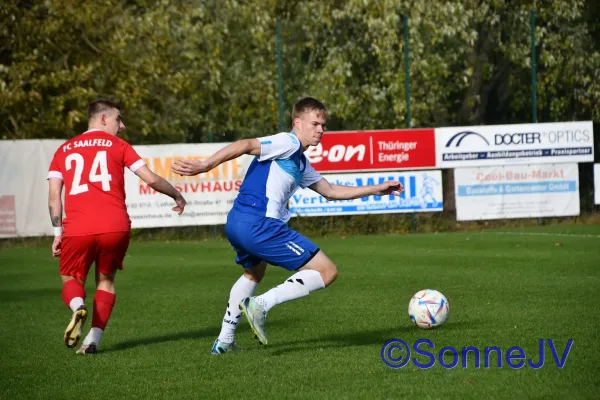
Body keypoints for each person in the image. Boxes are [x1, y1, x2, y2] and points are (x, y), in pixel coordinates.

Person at [172, 97, 403, 354]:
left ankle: (224, 341)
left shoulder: (300, 162)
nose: (321, 130)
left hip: (237, 222)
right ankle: (260, 304)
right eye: (315, 124)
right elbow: (246, 144)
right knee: (327, 271)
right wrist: (205, 165)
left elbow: (330, 191)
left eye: (323, 125)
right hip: (260, 224)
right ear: (297, 123)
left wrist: (376, 189)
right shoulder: (288, 142)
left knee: (253, 273)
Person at [48, 98, 186, 355]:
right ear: (103, 118)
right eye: (118, 119)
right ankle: (92, 340)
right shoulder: (118, 145)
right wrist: (176, 195)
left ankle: (78, 306)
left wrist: (57, 233)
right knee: (106, 280)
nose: (121, 126)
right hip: (115, 225)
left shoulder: (63, 150)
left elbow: (54, 196)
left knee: (71, 277)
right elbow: (150, 179)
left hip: (78, 228)